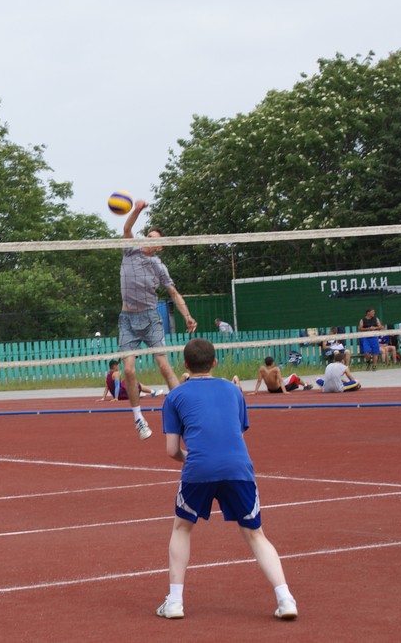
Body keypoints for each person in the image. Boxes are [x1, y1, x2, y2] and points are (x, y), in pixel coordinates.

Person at [157, 338, 297, 621]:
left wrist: (195, 458)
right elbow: (234, 434)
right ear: (215, 363)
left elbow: (172, 451)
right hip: (238, 468)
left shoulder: (174, 397)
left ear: (185, 365)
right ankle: (285, 598)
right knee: (256, 534)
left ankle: (174, 601)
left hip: (198, 469)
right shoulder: (234, 392)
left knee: (182, 529)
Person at [118, 199, 197, 440]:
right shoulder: (130, 249)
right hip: (127, 320)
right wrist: (137, 209)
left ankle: (185, 413)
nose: (151, 239)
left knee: (164, 366)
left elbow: (173, 292)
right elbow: (127, 229)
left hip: (151, 318)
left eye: (156, 239)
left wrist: (187, 315)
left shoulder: (159, 267)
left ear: (160, 247)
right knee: (129, 371)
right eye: (149, 235)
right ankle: (138, 418)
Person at [97, 359, 163, 401]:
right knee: (137, 384)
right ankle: (152, 392)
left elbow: (106, 387)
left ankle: (138, 393)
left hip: (117, 394)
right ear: (114, 366)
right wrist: (116, 398)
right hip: (121, 395)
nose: (118, 367)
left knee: (125, 382)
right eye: (118, 366)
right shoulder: (116, 374)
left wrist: (103, 398)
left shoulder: (107, 374)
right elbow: (117, 386)